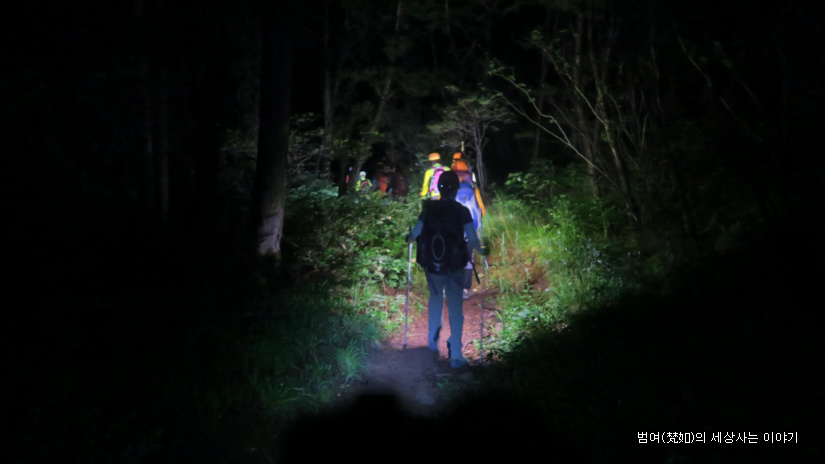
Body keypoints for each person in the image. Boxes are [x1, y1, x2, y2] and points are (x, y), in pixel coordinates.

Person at [408, 171, 483, 368]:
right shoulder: (462, 211)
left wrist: (409, 238)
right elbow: (473, 239)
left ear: (439, 188)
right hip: (455, 266)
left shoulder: (428, 209)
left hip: (433, 265)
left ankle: (432, 347)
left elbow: (414, 235)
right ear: (456, 190)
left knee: (435, 301)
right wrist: (482, 249)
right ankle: (456, 356)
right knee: (456, 307)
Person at [455, 170, 486, 299]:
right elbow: (482, 211)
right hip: (470, 229)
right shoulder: (474, 190)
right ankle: (465, 289)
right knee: (468, 258)